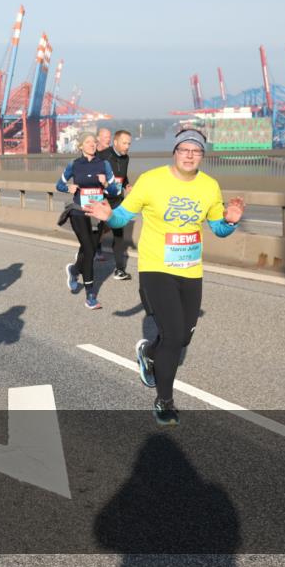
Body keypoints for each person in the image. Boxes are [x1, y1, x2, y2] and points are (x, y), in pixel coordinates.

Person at [84, 127, 245, 427]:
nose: (189, 155)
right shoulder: (152, 181)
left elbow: (219, 230)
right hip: (157, 268)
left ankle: (148, 352)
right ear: (175, 152)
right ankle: (164, 401)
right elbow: (123, 216)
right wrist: (109, 216)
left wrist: (230, 222)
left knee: (182, 337)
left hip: (190, 270)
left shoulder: (210, 186)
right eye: (184, 149)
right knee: (172, 335)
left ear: (202, 156)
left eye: (196, 151)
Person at [57, 132, 119, 309]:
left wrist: (106, 184)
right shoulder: (74, 165)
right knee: (90, 251)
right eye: (88, 142)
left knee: (88, 248)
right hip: (78, 212)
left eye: (94, 142)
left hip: (96, 214)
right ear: (81, 146)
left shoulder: (104, 164)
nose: (92, 144)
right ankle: (90, 295)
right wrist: (68, 187)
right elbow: (59, 185)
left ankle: (74, 270)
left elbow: (115, 191)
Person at [96, 130, 133, 279]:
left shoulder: (126, 158)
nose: (127, 146)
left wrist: (127, 185)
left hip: (117, 202)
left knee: (119, 236)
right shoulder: (103, 156)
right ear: (116, 142)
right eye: (124, 143)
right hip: (102, 201)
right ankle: (81, 263)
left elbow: (122, 176)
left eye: (129, 143)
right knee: (95, 235)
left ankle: (119, 270)